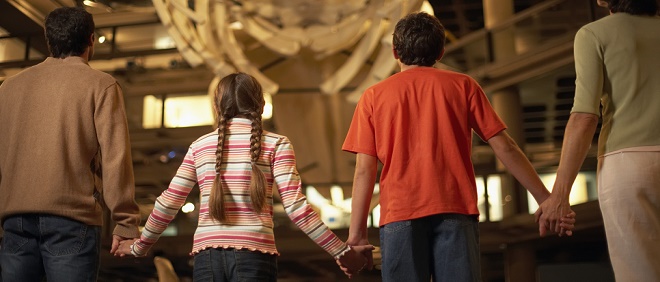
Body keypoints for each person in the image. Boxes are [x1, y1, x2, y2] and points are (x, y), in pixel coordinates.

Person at [341, 12, 575, 281]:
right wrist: (545, 199)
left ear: (395, 51)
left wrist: (356, 234)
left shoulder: (373, 97)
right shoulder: (464, 86)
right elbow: (505, 148)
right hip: (456, 209)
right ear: (440, 52)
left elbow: (364, 170)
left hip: (399, 213)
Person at [115, 72, 373, 281]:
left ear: (217, 106)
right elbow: (296, 209)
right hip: (255, 257)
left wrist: (140, 246)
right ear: (261, 104)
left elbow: (169, 202)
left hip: (207, 258)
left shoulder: (200, 146)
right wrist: (340, 251)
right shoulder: (277, 144)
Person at [0, 7, 141, 282]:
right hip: (72, 218)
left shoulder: (8, 88)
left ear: (47, 38)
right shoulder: (101, 85)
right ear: (91, 40)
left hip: (15, 219)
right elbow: (116, 158)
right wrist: (126, 222)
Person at [537, 0, 660, 280]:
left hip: (628, 163)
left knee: (640, 272)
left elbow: (584, 117)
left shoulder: (593, 34)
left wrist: (559, 196)